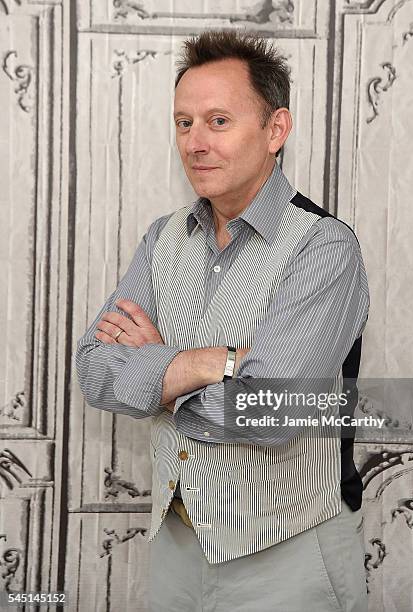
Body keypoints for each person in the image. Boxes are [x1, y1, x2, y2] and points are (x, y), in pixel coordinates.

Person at [76, 30, 370, 612]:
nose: (195, 143)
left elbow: (271, 415)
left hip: (288, 558)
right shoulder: (163, 238)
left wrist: (155, 373)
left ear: (275, 131)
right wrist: (209, 364)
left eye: (217, 121)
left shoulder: (323, 248)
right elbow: (93, 369)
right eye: (184, 123)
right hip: (176, 547)